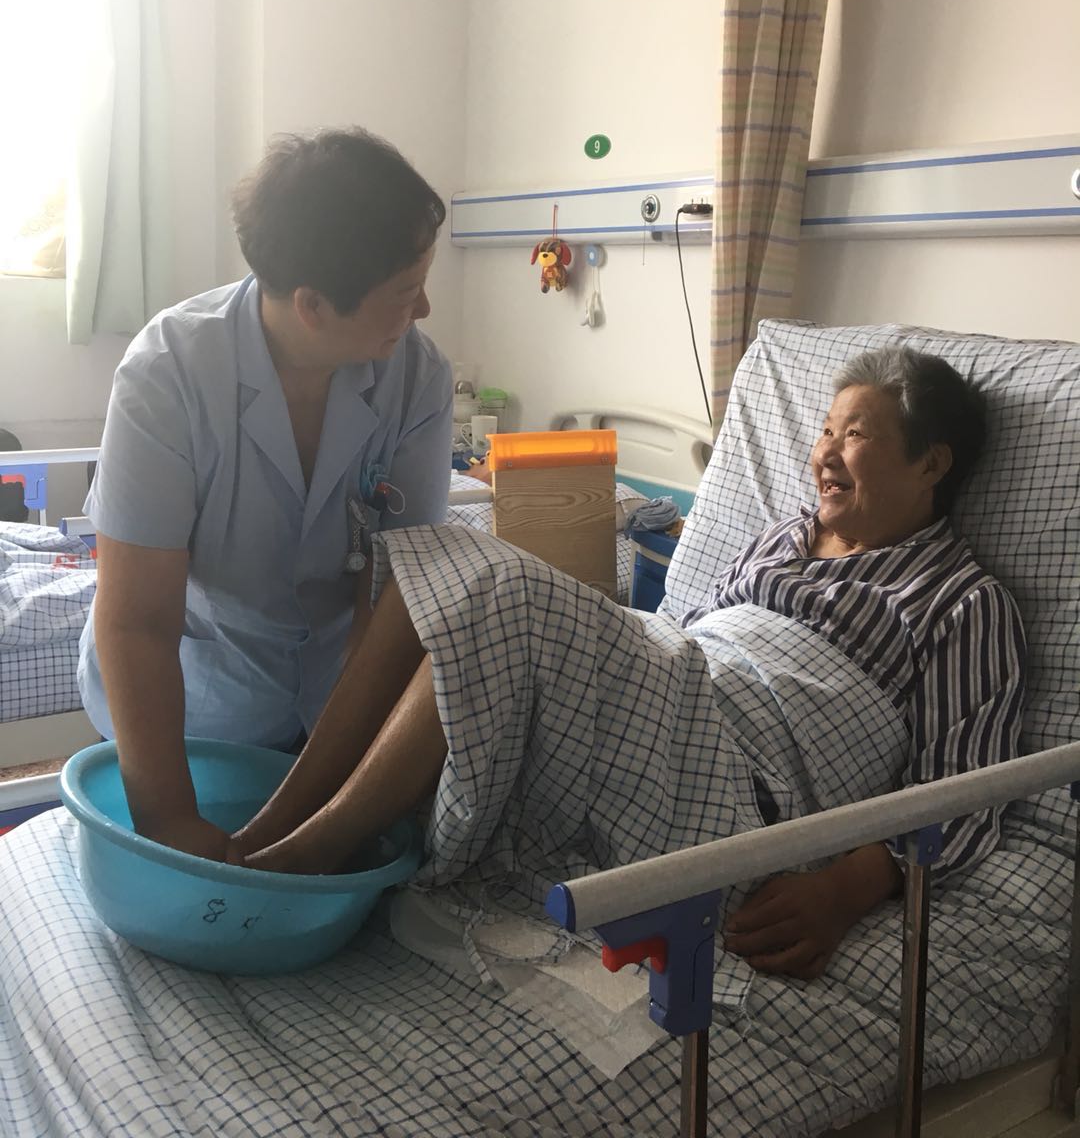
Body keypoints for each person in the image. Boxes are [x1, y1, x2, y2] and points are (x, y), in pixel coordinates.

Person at [231, 344, 1025, 980]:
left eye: (856, 435)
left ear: (931, 465)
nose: (826, 455)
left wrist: (846, 887)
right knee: (434, 564)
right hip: (672, 693)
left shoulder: (960, 601)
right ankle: (282, 818)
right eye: (825, 430)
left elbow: (965, 792)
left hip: (732, 776)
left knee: (502, 589)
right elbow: (682, 636)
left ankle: (302, 860)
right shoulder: (782, 539)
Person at [78, 127, 453, 863]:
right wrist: (168, 818)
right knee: (186, 876)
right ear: (313, 305)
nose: (426, 309)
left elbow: (393, 602)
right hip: (189, 709)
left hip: (334, 702)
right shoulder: (169, 375)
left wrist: (332, 802)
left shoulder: (418, 379)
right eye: (407, 292)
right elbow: (139, 620)